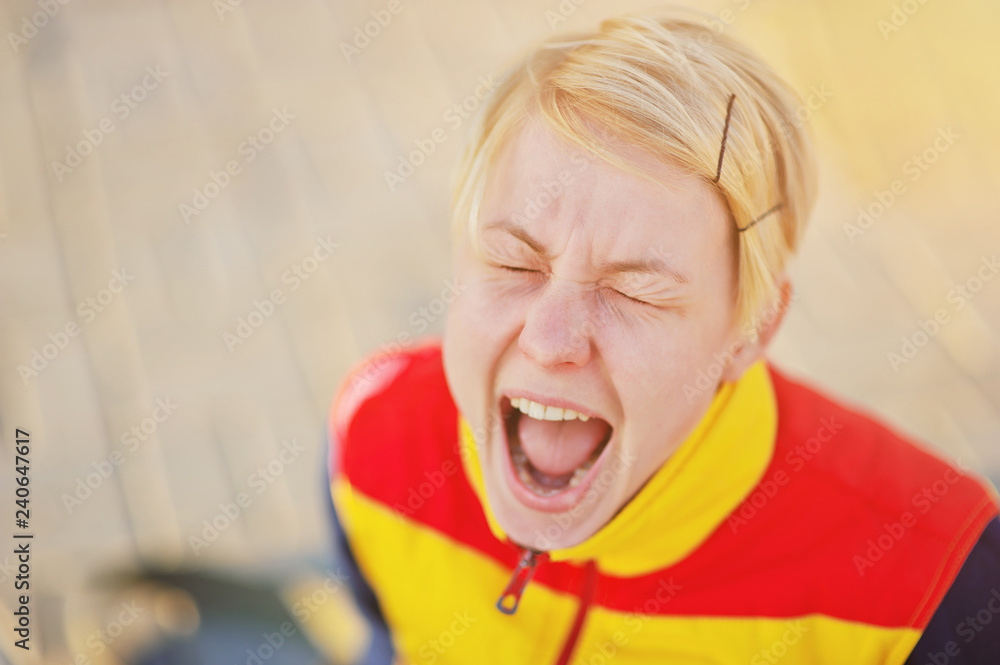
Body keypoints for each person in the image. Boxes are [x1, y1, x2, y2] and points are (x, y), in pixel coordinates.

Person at [325, 12, 1000, 664]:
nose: (549, 340)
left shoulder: (936, 586)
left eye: (633, 290)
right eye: (513, 262)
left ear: (753, 328)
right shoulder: (375, 436)